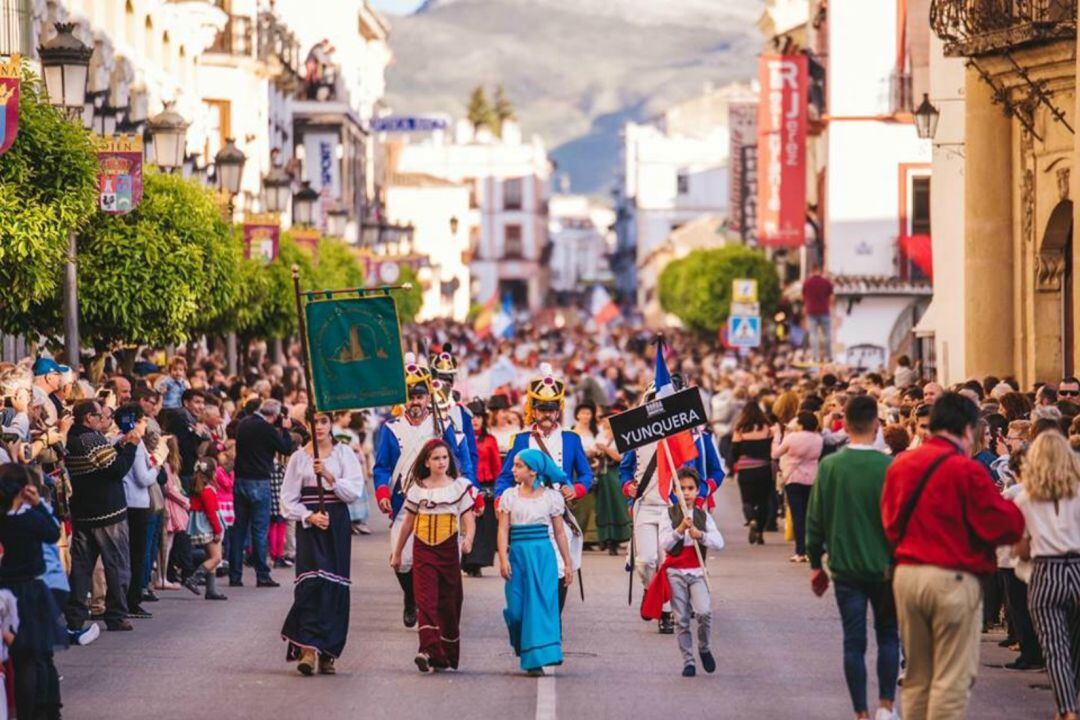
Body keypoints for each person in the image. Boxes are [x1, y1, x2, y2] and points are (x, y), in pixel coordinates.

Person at [882, 392, 1026, 720]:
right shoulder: (966, 470)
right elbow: (1007, 524)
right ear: (967, 428)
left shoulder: (901, 465)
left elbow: (888, 523)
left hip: (907, 576)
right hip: (952, 577)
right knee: (951, 676)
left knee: (918, 674)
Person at [806, 395, 899, 720]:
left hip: (845, 569)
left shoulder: (830, 466)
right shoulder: (890, 467)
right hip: (886, 569)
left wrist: (816, 564)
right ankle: (886, 705)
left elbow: (814, 519)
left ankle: (860, 712)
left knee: (853, 641)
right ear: (876, 424)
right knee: (888, 635)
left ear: (844, 426)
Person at [375, 355, 472, 628]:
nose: (415, 401)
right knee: (401, 559)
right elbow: (382, 466)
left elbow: (457, 463)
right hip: (404, 500)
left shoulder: (443, 426)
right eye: (410, 396)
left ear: (427, 397)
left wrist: (464, 494)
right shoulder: (391, 429)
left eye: (419, 396)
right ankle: (410, 596)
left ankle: (433, 609)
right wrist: (383, 492)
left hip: (440, 500)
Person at [495, 363, 592, 612]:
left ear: (558, 410)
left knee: (560, 567)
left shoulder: (572, 439)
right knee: (529, 571)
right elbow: (504, 479)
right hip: (527, 514)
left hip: (559, 510)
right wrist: (500, 503)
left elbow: (586, 475)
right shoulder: (521, 439)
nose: (547, 414)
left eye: (551, 409)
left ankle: (553, 619)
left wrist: (577, 489)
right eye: (541, 409)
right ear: (533, 410)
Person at [280, 411, 364, 676]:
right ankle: (308, 648)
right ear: (307, 424)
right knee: (310, 582)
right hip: (311, 524)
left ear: (331, 424)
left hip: (336, 522)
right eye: (314, 422)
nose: (319, 427)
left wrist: (328, 476)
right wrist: (308, 516)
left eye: (324, 422)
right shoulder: (298, 458)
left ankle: (328, 651)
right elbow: (287, 499)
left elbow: (354, 491)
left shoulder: (344, 454)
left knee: (334, 583)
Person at [390, 439, 477, 672]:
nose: (441, 462)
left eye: (444, 458)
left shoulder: (459, 487)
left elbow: (468, 517)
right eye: (436, 458)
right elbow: (407, 523)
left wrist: (468, 539)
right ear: (426, 462)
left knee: (449, 600)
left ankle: (445, 653)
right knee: (425, 598)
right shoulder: (417, 489)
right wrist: (397, 553)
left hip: (448, 549)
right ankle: (427, 650)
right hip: (423, 548)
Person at [1013, 431, 1080, 719]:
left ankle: (1066, 708)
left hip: (1046, 571)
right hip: (1077, 567)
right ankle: (1072, 693)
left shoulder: (1025, 499)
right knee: (1076, 643)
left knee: (1055, 647)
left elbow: (1023, 548)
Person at [64, 399, 143, 633]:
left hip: (83, 513)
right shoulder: (91, 439)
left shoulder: (72, 438)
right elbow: (115, 470)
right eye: (100, 416)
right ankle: (117, 615)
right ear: (89, 417)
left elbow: (102, 462)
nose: (104, 421)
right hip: (107, 514)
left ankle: (75, 617)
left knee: (80, 568)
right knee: (116, 565)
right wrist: (131, 447)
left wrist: (118, 447)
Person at [498, 449, 574, 676]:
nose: (513, 470)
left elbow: (559, 532)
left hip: (543, 555)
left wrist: (568, 563)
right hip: (518, 554)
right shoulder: (509, 496)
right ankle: (522, 643)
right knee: (516, 611)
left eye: (518, 466)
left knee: (540, 607)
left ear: (533, 471)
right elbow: (502, 529)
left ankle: (537, 658)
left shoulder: (551, 497)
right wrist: (503, 558)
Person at [0, 465, 67, 720]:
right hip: (32, 589)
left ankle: (26, 712)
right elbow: (52, 532)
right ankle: (48, 710)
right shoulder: (30, 519)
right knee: (40, 655)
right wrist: (39, 504)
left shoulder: (4, 520)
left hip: (7, 590)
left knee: (21, 658)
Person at [646, 468, 725, 678]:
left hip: (697, 571)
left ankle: (704, 647)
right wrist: (679, 529)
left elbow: (719, 542)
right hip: (675, 572)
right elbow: (664, 543)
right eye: (682, 488)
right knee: (681, 619)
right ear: (674, 491)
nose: (686, 492)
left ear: (698, 491)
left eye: (691, 488)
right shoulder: (668, 514)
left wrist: (701, 536)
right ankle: (688, 660)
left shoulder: (703, 516)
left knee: (704, 612)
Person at [230, 398, 294, 588]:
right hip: (259, 481)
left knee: (239, 530)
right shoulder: (267, 429)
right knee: (259, 530)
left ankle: (235, 576)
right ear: (274, 415)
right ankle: (262, 575)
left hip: (240, 480)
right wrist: (285, 429)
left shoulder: (243, 424)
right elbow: (285, 448)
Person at [115, 403, 157, 620]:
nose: (145, 424)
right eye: (142, 420)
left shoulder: (115, 439)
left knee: (123, 553)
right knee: (137, 554)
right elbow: (143, 478)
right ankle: (133, 599)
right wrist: (156, 469)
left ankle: (121, 598)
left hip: (121, 501)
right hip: (137, 503)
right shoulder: (137, 444)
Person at [772, 410, 823, 562]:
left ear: (800, 423)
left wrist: (777, 437)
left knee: (797, 515)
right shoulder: (818, 439)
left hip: (793, 478)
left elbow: (775, 454)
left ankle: (800, 551)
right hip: (812, 478)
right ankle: (810, 550)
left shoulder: (792, 438)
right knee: (809, 515)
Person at [462, 400, 500, 577]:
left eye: (478, 417)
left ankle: (477, 562)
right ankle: (466, 560)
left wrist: (499, 488)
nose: (475, 420)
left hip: (486, 487)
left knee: (485, 527)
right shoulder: (461, 438)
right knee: (467, 523)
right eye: (472, 417)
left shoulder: (490, 440)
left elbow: (497, 466)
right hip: (467, 485)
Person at [730, 400, 774, 545]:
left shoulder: (740, 430)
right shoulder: (767, 428)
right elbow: (771, 449)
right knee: (763, 501)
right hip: (763, 468)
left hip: (745, 469)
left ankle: (751, 519)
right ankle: (760, 531)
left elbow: (734, 451)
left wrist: (734, 464)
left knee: (747, 500)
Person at [184, 458, 228, 600]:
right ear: (212, 473)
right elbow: (211, 513)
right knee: (216, 558)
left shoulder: (198, 488)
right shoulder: (208, 491)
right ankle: (193, 579)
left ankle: (211, 590)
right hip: (209, 527)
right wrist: (218, 530)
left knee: (210, 556)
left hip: (202, 526)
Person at [802, 269, 834, 362]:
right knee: (827, 334)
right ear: (819, 271)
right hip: (824, 311)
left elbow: (803, 297)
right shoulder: (826, 282)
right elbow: (831, 296)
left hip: (811, 311)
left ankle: (815, 357)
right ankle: (828, 356)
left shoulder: (807, 283)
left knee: (813, 334)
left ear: (812, 271)